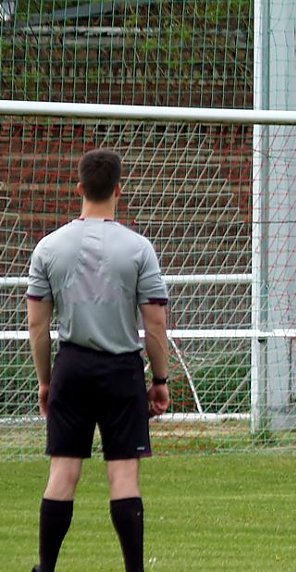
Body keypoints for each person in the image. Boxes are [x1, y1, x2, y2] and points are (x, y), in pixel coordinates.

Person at [26, 149, 171, 572]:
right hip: (121, 371)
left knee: (63, 473)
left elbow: (37, 325)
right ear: (118, 190)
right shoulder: (139, 249)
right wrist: (160, 379)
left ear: (80, 189)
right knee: (123, 476)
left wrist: (46, 380)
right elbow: (155, 324)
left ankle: (46, 568)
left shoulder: (48, 247)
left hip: (71, 367)